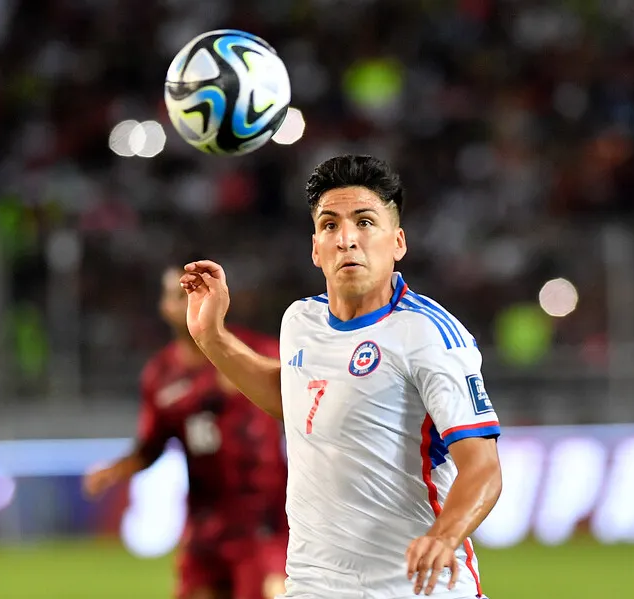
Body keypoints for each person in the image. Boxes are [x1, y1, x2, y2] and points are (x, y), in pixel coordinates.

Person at [180, 155, 504, 599]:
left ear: (398, 242)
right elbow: (294, 397)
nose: (347, 238)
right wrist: (211, 338)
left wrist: (445, 536)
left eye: (365, 222)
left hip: (415, 590)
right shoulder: (299, 321)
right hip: (313, 586)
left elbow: (483, 467)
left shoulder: (429, 335)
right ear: (315, 248)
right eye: (330, 225)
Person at [83, 265, 289, 599]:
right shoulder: (160, 376)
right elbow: (152, 446)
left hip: (264, 524)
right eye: (181, 294)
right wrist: (115, 470)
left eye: (199, 290)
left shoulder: (258, 352)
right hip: (206, 527)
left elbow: (308, 403)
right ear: (165, 307)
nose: (191, 299)